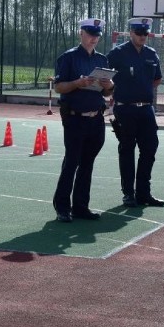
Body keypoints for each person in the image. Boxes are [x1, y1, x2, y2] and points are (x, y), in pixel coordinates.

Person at [51, 18, 115, 223]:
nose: (93, 38)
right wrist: (78, 83)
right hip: (75, 119)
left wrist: (109, 84)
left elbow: (109, 92)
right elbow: (59, 87)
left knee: (87, 164)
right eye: (90, 34)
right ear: (81, 33)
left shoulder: (102, 60)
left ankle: (80, 206)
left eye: (97, 35)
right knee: (71, 163)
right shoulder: (68, 58)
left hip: (96, 119)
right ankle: (62, 207)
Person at [106, 17, 164, 208]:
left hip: (146, 109)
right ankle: (128, 194)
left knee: (149, 149)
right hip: (125, 109)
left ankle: (143, 193)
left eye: (145, 33)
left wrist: (142, 88)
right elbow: (105, 77)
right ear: (131, 33)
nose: (142, 37)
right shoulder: (118, 53)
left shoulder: (151, 54)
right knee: (127, 150)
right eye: (139, 33)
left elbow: (157, 79)